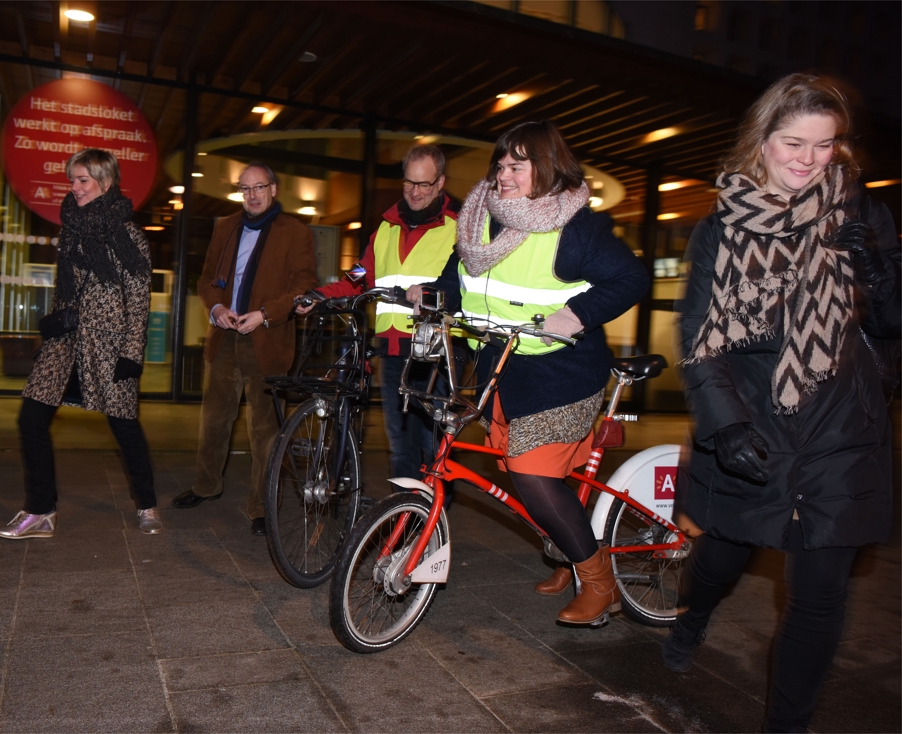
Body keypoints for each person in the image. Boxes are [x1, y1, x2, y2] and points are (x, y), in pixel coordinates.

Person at [668, 73, 899, 733]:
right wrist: (726, 424)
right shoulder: (720, 228)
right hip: (753, 421)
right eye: (794, 143)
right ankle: (693, 617)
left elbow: (893, 324)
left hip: (842, 429)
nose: (808, 158)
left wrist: (879, 274)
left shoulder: (863, 214)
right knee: (721, 559)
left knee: (820, 594)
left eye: (825, 145)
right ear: (762, 140)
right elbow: (698, 335)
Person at [411, 121, 649, 624]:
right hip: (499, 369)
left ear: (546, 169)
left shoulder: (576, 226)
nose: (503, 174)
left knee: (532, 474)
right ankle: (570, 552)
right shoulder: (479, 220)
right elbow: (457, 279)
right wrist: (430, 296)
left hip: (560, 371)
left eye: (516, 166)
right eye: (500, 164)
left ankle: (600, 583)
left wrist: (577, 315)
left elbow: (630, 278)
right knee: (527, 474)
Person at [0, 148, 159, 539]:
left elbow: (139, 299)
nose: (75, 187)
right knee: (30, 419)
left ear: (105, 182)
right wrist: (54, 326)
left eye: (83, 180)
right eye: (72, 180)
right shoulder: (70, 230)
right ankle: (41, 511)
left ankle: (147, 504)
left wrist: (132, 353)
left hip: (109, 344)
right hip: (66, 340)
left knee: (124, 427)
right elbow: (65, 288)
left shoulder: (129, 235)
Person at [297, 145, 459, 488]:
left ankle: (433, 514)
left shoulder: (458, 228)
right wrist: (320, 295)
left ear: (441, 182)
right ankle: (404, 516)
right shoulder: (385, 229)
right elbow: (358, 277)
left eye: (424, 184)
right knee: (399, 445)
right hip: (392, 350)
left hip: (436, 353)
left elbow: (465, 288)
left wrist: (433, 293)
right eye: (409, 182)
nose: (415, 191)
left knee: (432, 446)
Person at [171, 162, 318, 536]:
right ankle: (206, 486)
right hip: (224, 338)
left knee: (265, 431)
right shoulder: (226, 226)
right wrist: (217, 309)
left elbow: (303, 286)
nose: (252, 195)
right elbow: (207, 280)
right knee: (214, 420)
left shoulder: (295, 232)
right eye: (245, 188)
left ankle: (262, 507)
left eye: (259, 187)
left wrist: (265, 314)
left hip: (267, 340)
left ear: (273, 189)